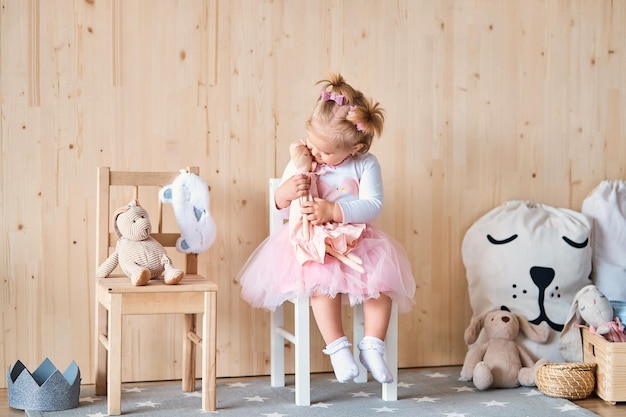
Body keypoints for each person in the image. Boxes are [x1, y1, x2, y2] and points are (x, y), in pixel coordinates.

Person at [238, 73, 416, 384]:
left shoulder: (366, 164)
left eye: (326, 152)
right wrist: (288, 191)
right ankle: (337, 347)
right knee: (321, 282)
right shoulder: (304, 161)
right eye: (313, 144)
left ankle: (373, 345)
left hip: (355, 242)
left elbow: (373, 205)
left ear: (356, 148)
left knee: (382, 283)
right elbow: (277, 201)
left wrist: (334, 210)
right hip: (311, 245)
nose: (316, 154)